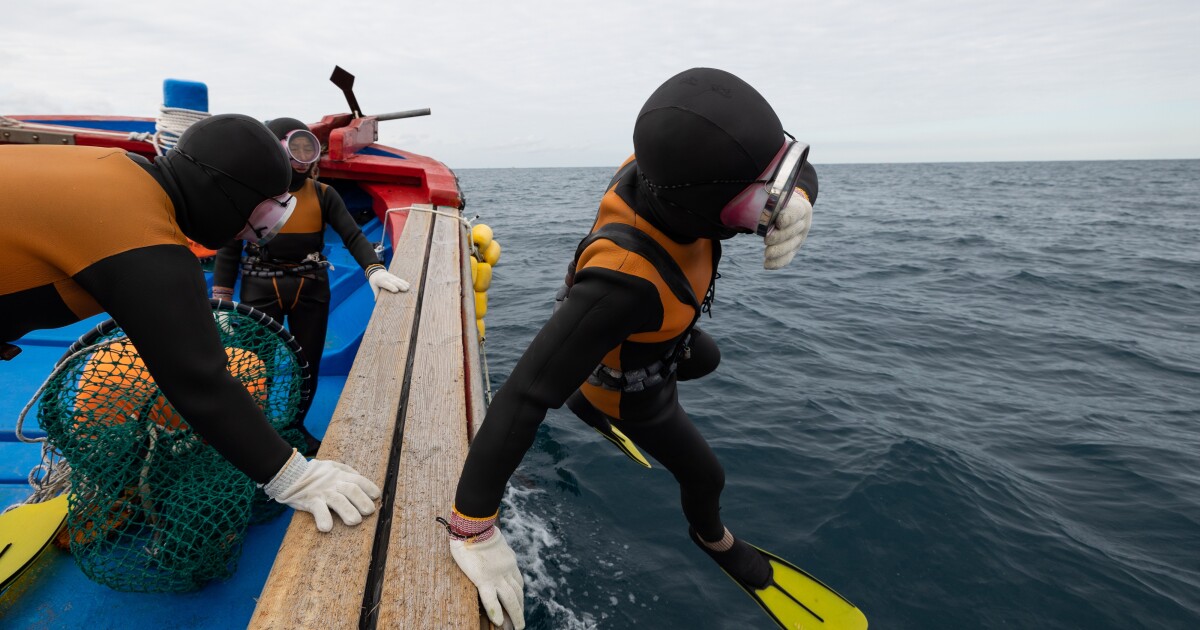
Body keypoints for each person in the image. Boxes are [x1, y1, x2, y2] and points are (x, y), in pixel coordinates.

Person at [442, 68, 862, 630]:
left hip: (652, 341)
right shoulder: (622, 283)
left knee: (708, 358)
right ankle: (713, 539)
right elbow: (522, 397)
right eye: (757, 204)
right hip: (635, 393)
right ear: (703, 206)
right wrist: (474, 528)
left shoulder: (655, 171)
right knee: (707, 476)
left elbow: (784, 160)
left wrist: (801, 194)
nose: (768, 210)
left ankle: (591, 397)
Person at [0, 114, 381, 534]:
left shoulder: (118, 165)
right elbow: (199, 381)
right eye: (265, 212)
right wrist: (294, 477)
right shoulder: (147, 243)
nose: (257, 232)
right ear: (228, 195)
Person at [211, 117, 408, 455]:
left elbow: (352, 234)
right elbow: (229, 247)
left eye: (308, 150)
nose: (301, 158)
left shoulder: (323, 194)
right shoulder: (251, 195)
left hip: (310, 286)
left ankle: (294, 426)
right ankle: (255, 433)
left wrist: (373, 269)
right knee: (255, 363)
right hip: (260, 285)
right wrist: (222, 298)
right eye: (293, 149)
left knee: (308, 364)